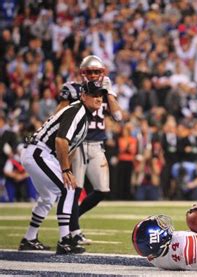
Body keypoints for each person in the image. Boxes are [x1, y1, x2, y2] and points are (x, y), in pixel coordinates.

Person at [18, 81, 105, 254]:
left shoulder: (83, 114)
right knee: (68, 188)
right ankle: (65, 239)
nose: (98, 99)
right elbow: (60, 141)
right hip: (40, 152)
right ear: (83, 96)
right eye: (93, 95)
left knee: (48, 197)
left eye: (100, 95)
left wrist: (66, 169)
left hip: (40, 153)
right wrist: (65, 171)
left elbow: (68, 147)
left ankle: (29, 238)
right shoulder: (78, 111)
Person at [56, 55, 123, 245]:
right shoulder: (72, 88)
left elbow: (118, 116)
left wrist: (108, 92)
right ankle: (74, 230)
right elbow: (58, 115)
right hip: (78, 143)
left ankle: (71, 216)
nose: (93, 76)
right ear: (82, 73)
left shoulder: (105, 89)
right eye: (89, 72)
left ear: (102, 73)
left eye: (97, 72)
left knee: (102, 189)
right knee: (75, 189)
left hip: (97, 145)